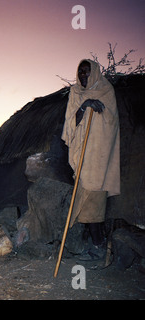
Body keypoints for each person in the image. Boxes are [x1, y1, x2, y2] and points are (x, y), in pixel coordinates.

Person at [61, 59, 120, 261]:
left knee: (94, 202)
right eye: (80, 72)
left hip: (98, 157)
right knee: (85, 202)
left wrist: (97, 112)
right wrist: (84, 106)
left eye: (87, 72)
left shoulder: (106, 90)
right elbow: (70, 126)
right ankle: (94, 245)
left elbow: (111, 124)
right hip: (82, 155)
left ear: (94, 72)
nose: (83, 76)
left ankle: (98, 247)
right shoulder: (75, 94)